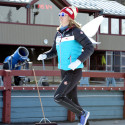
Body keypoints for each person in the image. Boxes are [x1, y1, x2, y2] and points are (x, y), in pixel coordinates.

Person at [37, 6, 94, 125]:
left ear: (69, 17)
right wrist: (45, 55)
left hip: (74, 70)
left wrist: (78, 61)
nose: (60, 17)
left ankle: (83, 113)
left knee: (58, 97)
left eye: (62, 15)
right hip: (63, 71)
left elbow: (90, 47)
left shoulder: (76, 32)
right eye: (59, 15)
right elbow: (54, 51)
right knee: (73, 101)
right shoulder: (58, 34)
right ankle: (84, 120)